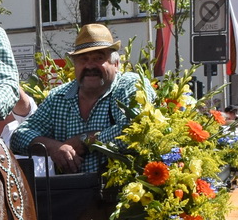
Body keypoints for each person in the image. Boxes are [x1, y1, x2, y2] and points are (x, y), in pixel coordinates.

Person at [8, 23, 147, 174]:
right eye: (83, 59)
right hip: (71, 193)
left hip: (125, 193)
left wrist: (86, 141)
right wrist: (53, 147)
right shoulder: (59, 96)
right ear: (74, 65)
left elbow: (136, 130)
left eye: (98, 58)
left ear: (116, 64)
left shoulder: (129, 85)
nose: (90, 66)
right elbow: (18, 137)